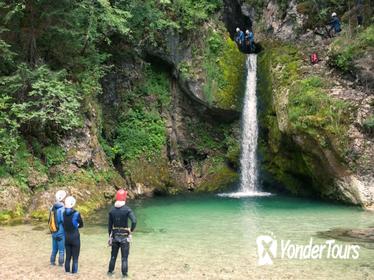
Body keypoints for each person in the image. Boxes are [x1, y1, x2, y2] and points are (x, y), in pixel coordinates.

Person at [108, 189, 137, 278]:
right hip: (124, 236)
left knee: (113, 256)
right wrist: (131, 230)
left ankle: (110, 272)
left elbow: (109, 226)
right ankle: (124, 276)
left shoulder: (112, 210)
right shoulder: (127, 209)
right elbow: (134, 221)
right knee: (124, 258)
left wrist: (110, 236)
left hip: (115, 235)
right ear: (124, 198)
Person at [63, 196, 83, 274]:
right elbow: (81, 225)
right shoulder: (76, 214)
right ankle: (74, 274)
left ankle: (67, 273)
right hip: (75, 238)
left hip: (66, 237)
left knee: (68, 257)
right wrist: (77, 225)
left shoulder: (63, 213)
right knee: (75, 258)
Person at [50, 190, 67, 266]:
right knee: (61, 250)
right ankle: (60, 264)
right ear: (63, 199)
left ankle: (52, 262)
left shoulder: (52, 207)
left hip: (53, 230)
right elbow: (62, 220)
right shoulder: (62, 208)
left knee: (54, 249)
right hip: (60, 231)